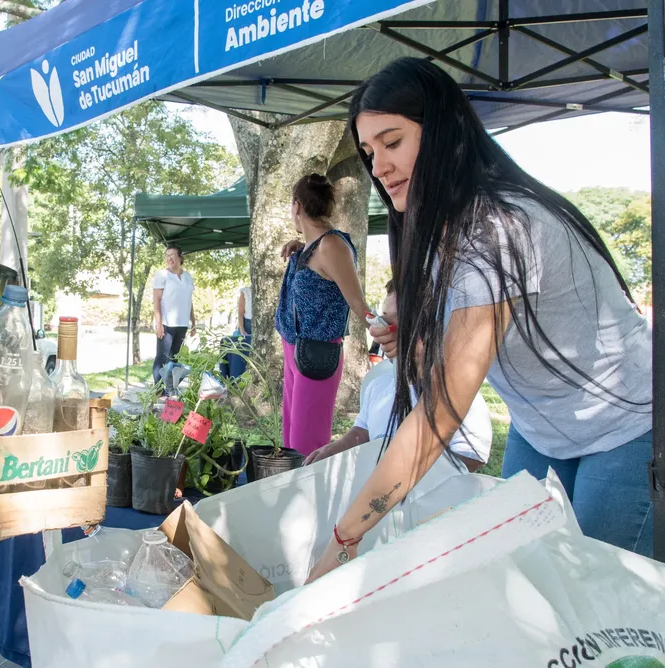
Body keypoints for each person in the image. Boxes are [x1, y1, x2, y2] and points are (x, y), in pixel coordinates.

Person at [307, 57, 652, 583]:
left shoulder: (498, 224)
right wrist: (416, 338)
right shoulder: (440, 229)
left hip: (626, 424)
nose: (377, 166)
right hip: (541, 428)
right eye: (369, 151)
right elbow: (454, 349)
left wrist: (346, 537)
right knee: (523, 578)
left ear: (443, 132)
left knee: (596, 595)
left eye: (392, 142)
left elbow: (441, 412)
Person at [305, 281, 492, 475]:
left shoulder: (457, 392)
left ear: (434, 328)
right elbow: (361, 432)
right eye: (383, 320)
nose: (384, 331)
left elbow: (470, 457)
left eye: (399, 323)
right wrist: (331, 451)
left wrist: (408, 476)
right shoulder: (378, 385)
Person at [275, 173, 374, 459]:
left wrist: (386, 332)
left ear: (296, 206)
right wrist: (299, 250)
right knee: (291, 443)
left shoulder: (332, 245)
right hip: (294, 348)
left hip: (316, 354)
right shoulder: (311, 247)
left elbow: (357, 301)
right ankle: (293, 501)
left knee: (307, 446)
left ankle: (312, 502)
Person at [152, 245, 195, 386]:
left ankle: (170, 389)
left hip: (182, 324)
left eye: (172, 255)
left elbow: (189, 301)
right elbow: (156, 300)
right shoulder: (162, 275)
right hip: (166, 323)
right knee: (162, 359)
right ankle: (158, 391)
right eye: (167, 255)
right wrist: (159, 324)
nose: (169, 258)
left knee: (174, 359)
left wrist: (193, 322)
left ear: (180, 257)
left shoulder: (188, 277)